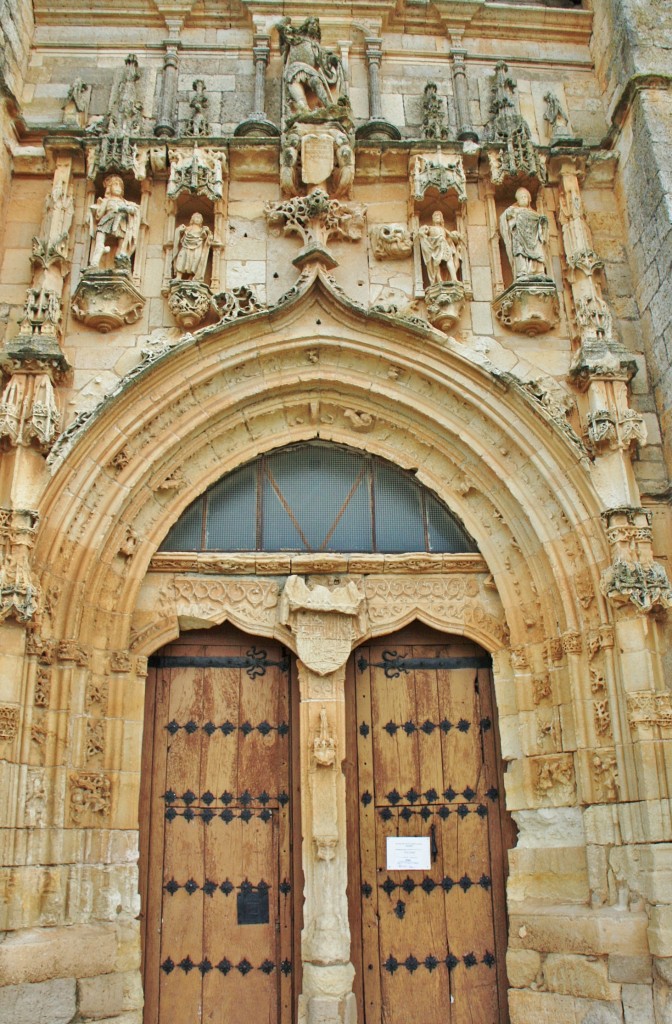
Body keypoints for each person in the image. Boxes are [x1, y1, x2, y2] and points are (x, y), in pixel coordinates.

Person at [88, 175, 141, 269]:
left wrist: (126, 209)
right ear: (109, 187)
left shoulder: (125, 202)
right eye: (115, 184)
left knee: (122, 245)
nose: (118, 187)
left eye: (120, 186)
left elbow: (134, 210)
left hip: (120, 225)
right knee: (99, 243)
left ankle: (119, 264)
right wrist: (96, 209)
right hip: (106, 222)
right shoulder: (106, 201)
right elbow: (99, 214)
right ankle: (94, 263)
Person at [499, 187, 549, 280]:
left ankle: (538, 272)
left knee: (538, 251)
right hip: (519, 237)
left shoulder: (534, 213)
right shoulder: (514, 209)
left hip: (533, 238)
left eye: (525, 197)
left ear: (529, 199)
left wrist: (542, 222)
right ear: (517, 201)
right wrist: (511, 215)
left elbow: (540, 226)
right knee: (520, 251)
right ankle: (522, 272)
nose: (523, 199)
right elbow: (505, 218)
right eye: (521, 197)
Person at [419, 211, 463, 285]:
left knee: (450, 260)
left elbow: (453, 237)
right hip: (435, 246)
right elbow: (421, 233)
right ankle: (439, 279)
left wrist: (456, 236)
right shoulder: (430, 228)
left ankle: (454, 278)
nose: (437, 217)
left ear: (441, 219)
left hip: (444, 245)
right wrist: (424, 232)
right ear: (433, 219)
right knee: (436, 262)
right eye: (435, 216)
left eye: (439, 216)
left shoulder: (444, 229)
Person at [172, 213, 212, 282]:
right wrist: (179, 230)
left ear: (201, 221)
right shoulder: (187, 228)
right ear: (192, 219)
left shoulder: (202, 230)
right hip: (186, 246)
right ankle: (178, 276)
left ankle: (191, 277)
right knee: (181, 258)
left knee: (195, 261)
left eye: (199, 218)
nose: (197, 219)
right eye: (196, 217)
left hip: (197, 247)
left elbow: (209, 239)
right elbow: (179, 232)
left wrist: (208, 233)